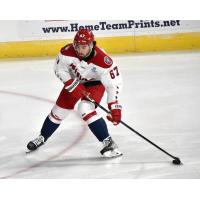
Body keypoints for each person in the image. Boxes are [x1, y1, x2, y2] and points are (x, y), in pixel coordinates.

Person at [27, 29, 123, 158]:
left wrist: (114, 106)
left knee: (84, 108)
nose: (80, 50)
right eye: (78, 46)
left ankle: (108, 142)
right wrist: (71, 84)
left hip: (95, 84)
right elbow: (59, 69)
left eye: (84, 47)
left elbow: (113, 84)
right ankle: (42, 137)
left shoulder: (104, 61)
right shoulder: (66, 52)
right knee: (58, 111)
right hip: (73, 82)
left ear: (92, 45)